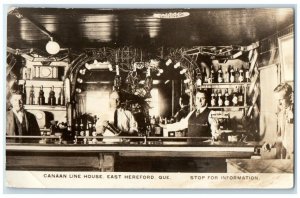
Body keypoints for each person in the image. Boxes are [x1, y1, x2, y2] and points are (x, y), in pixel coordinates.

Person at [262, 83, 293, 159]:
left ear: (290, 97)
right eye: (277, 100)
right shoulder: (281, 114)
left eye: (281, 99)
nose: (279, 103)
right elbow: (280, 135)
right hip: (287, 154)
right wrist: (271, 143)